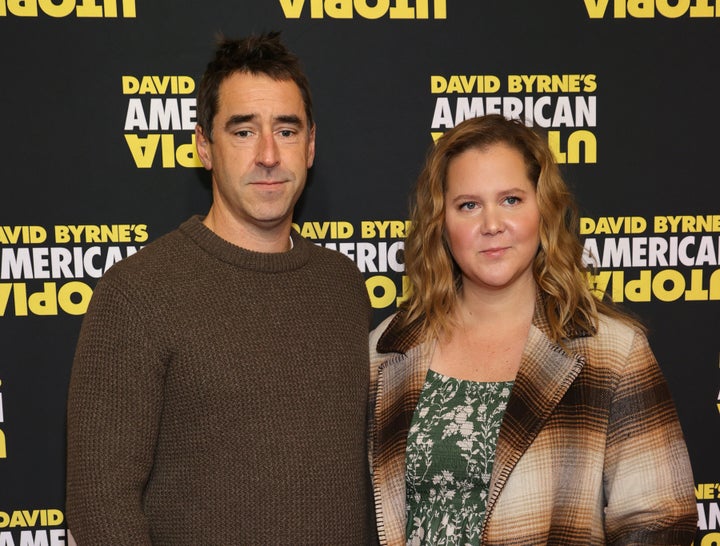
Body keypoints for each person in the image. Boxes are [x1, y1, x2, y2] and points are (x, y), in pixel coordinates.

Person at [66, 32, 376, 545]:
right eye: (243, 132)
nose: (269, 154)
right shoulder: (138, 293)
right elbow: (100, 505)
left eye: (287, 129)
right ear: (203, 147)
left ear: (312, 144)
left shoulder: (342, 286)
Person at [368, 114, 696, 545]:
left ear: (543, 209)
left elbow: (661, 524)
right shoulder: (389, 350)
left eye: (511, 200)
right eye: (468, 205)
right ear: (441, 224)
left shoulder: (611, 352)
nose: (491, 225)